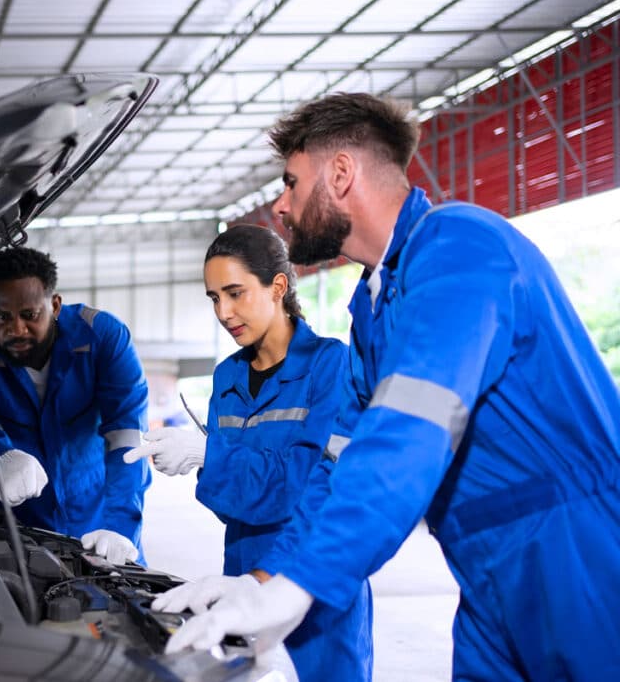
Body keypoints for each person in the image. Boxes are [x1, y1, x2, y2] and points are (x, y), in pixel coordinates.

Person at [156, 92, 620, 680]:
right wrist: (263, 582)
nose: (281, 204)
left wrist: (302, 584)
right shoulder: (372, 310)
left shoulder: (461, 247)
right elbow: (339, 465)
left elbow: (408, 432)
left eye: (292, 183)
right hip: (480, 566)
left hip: (575, 551)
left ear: (342, 173)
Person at [124, 224, 372, 681]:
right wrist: (201, 462)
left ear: (278, 286)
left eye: (235, 293)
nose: (224, 311)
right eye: (214, 297)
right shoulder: (227, 377)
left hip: (315, 566)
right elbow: (227, 504)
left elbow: (306, 485)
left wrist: (212, 457)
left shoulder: (330, 365)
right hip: (241, 565)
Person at [0, 246, 151, 564]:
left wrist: (121, 526)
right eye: (2, 316)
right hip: (22, 530)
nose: (16, 329)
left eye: (29, 315)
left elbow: (126, 436)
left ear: (54, 305)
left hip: (101, 519)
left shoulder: (103, 338)